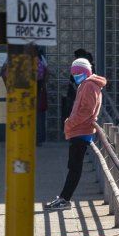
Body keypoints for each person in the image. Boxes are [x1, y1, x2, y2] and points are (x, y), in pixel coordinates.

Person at [45, 58, 107, 210]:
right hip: (80, 130)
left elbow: (87, 110)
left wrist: (69, 122)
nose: (76, 76)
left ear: (85, 72)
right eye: (74, 74)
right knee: (73, 166)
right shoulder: (88, 85)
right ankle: (64, 198)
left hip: (81, 130)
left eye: (78, 73)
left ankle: (65, 199)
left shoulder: (89, 86)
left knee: (74, 167)